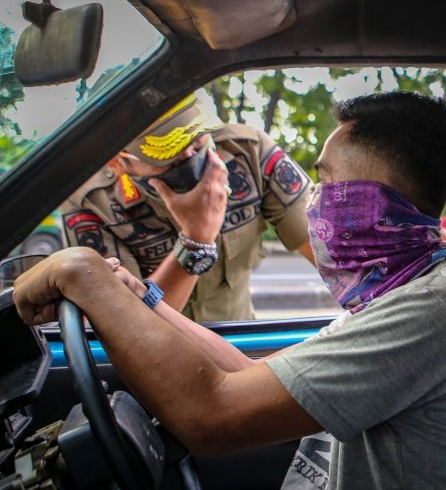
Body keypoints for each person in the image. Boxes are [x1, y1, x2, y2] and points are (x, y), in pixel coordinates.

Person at [15, 91, 446, 490]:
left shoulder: (433, 312)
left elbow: (211, 416)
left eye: (327, 184)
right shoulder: (394, 297)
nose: (314, 201)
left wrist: (82, 272)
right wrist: (137, 296)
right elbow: (247, 373)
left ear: (372, 201)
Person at [60, 94, 315, 322]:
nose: (190, 158)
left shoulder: (249, 152)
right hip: (158, 360)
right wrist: (196, 240)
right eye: (168, 156)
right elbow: (126, 325)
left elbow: (328, 249)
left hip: (240, 341)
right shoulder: (91, 204)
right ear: (117, 161)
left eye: (197, 140)